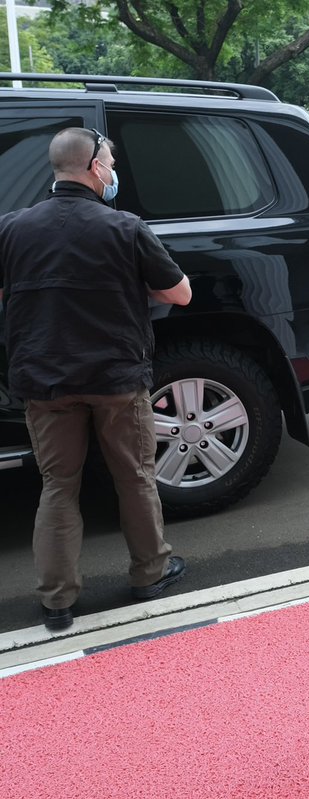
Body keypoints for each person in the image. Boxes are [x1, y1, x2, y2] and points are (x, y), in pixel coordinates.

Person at [0, 127, 192, 632]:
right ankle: (150, 572)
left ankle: (57, 601)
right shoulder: (124, 227)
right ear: (93, 167)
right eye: (109, 161)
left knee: (57, 486)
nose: (113, 171)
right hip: (116, 378)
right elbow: (180, 295)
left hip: (44, 381)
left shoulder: (12, 228)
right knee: (134, 477)